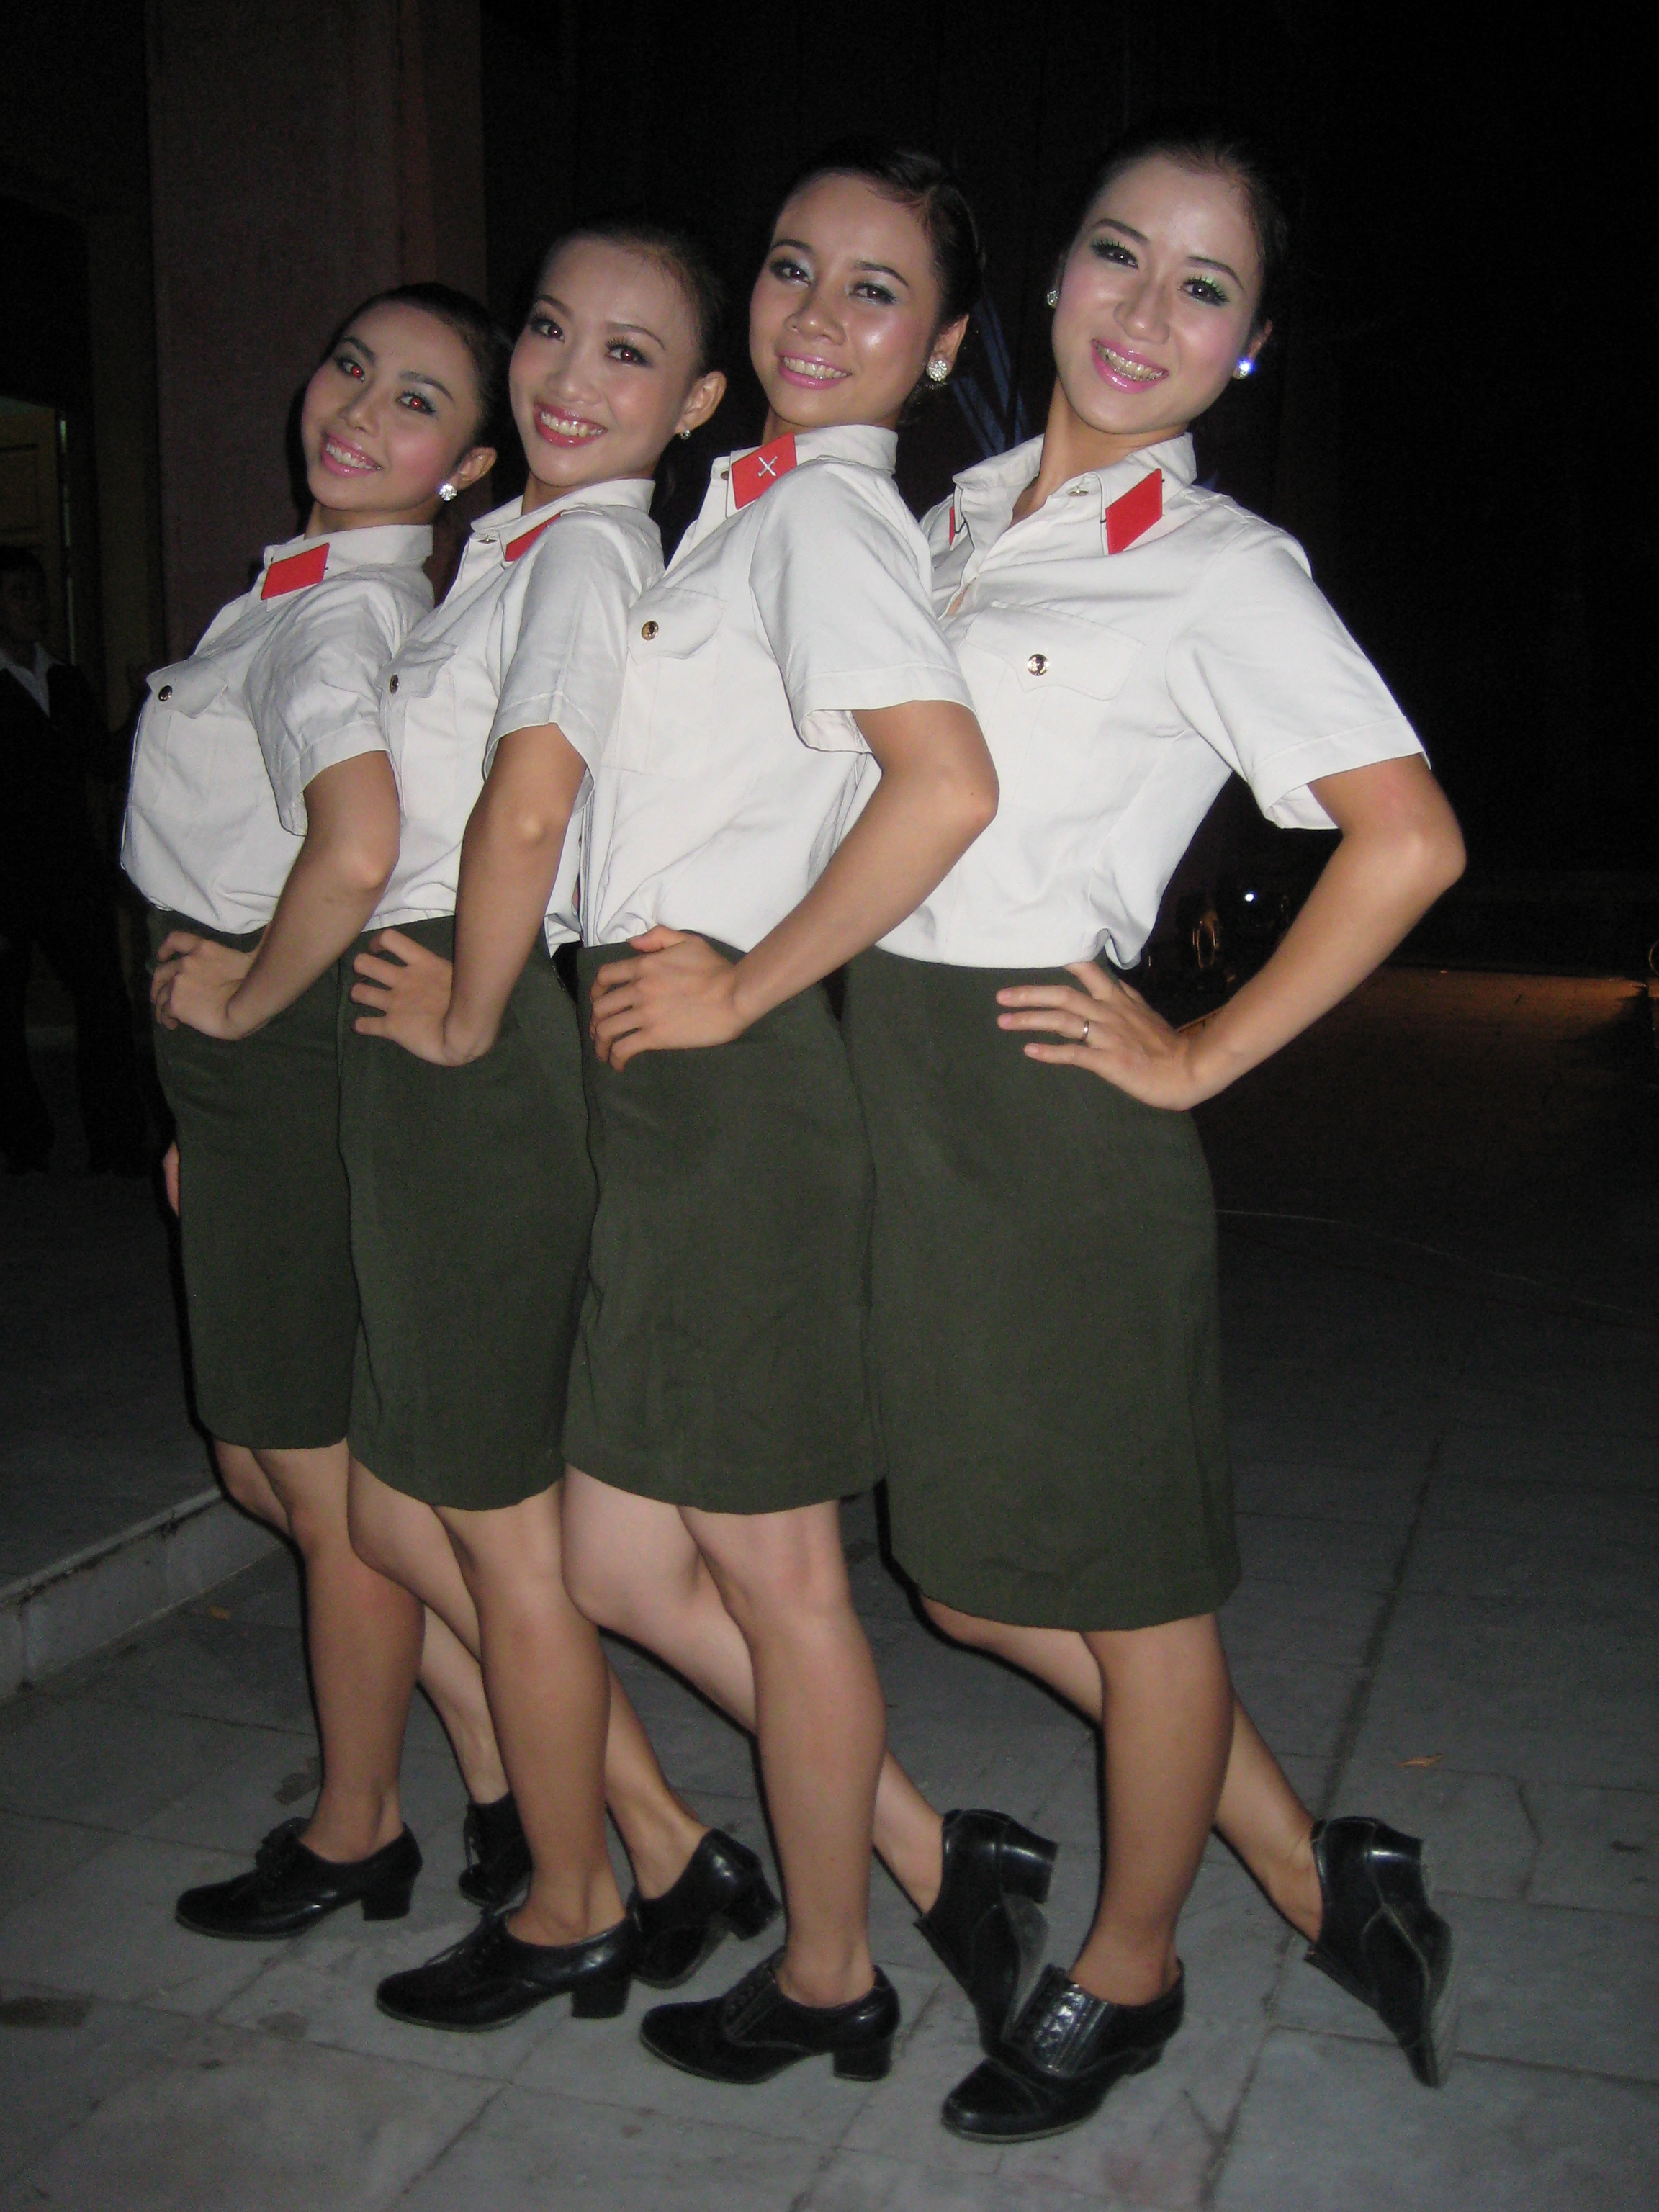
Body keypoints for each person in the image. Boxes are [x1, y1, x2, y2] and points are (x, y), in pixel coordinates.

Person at [836, 116, 1466, 2142]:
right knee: (964, 1580)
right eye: (1120, 253)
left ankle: (1132, 1966)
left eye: (1207, 287)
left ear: (1247, 345)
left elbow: (1409, 841)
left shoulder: (1220, 569)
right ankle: (1320, 1867)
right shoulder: (943, 518)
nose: (1146, 309)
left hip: (1052, 1109)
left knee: (1135, 1593)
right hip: (900, 1085)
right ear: (1052, 274)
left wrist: (1199, 1053)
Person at [558, 145, 1040, 2089]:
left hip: (737, 1087)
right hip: (666, 1087)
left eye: (875, 289)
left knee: (776, 1579)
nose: (818, 314)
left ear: (938, 342)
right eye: (789, 267)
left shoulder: (821, 521)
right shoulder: (736, 513)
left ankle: (835, 1970)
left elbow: (946, 786)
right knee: (614, 1562)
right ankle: (935, 1850)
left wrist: (749, 983)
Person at [335, 222, 775, 2034]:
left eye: (628, 352)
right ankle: (665, 1846)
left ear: (699, 397)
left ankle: (575, 1901)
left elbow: (530, 802)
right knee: (403, 1505)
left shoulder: (587, 547)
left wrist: (461, 1004)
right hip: (445, 1024)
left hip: (478, 1031)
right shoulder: (517, 539)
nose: (569, 377)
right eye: (547, 330)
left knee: (494, 1528)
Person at [126, 285, 522, 1939]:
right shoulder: (302, 586)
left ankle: (366, 1824)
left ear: (471, 463)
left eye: (418, 399)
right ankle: (515, 1782)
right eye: (354, 366)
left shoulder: (338, 614)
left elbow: (353, 845)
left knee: (327, 1493)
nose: (359, 408)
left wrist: (237, 1007)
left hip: (273, 1052)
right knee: (265, 1465)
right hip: (250, 1078)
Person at [0, 544, 147, 1174]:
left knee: (105, 999)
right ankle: (24, 1139)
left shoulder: (64, 679)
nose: (36, 606)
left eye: (39, 593)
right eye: (19, 594)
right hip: (7, 876)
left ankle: (116, 1141)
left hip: (68, 869)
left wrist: (144, 707)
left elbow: (102, 762)